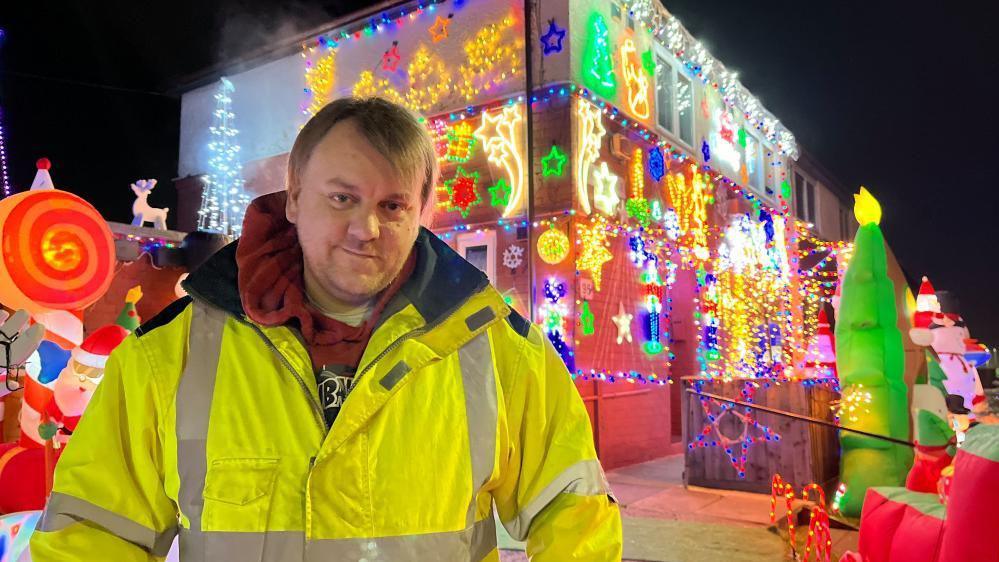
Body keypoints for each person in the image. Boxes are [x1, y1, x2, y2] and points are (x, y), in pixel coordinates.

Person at [30, 97, 622, 561]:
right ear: (292, 198)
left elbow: (574, 517)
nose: (366, 227)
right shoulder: (170, 355)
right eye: (342, 197)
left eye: (393, 206)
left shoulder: (500, 353)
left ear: (422, 213)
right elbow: (93, 533)